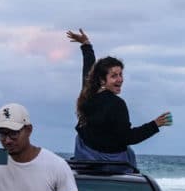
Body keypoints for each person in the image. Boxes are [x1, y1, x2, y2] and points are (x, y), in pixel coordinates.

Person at [66, 28, 172, 172]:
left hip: (84, 155)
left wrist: (86, 44)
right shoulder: (117, 104)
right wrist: (155, 125)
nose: (120, 79)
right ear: (102, 79)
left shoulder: (88, 92)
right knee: (129, 154)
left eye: (121, 74)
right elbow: (127, 138)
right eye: (114, 76)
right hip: (109, 162)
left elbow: (89, 66)